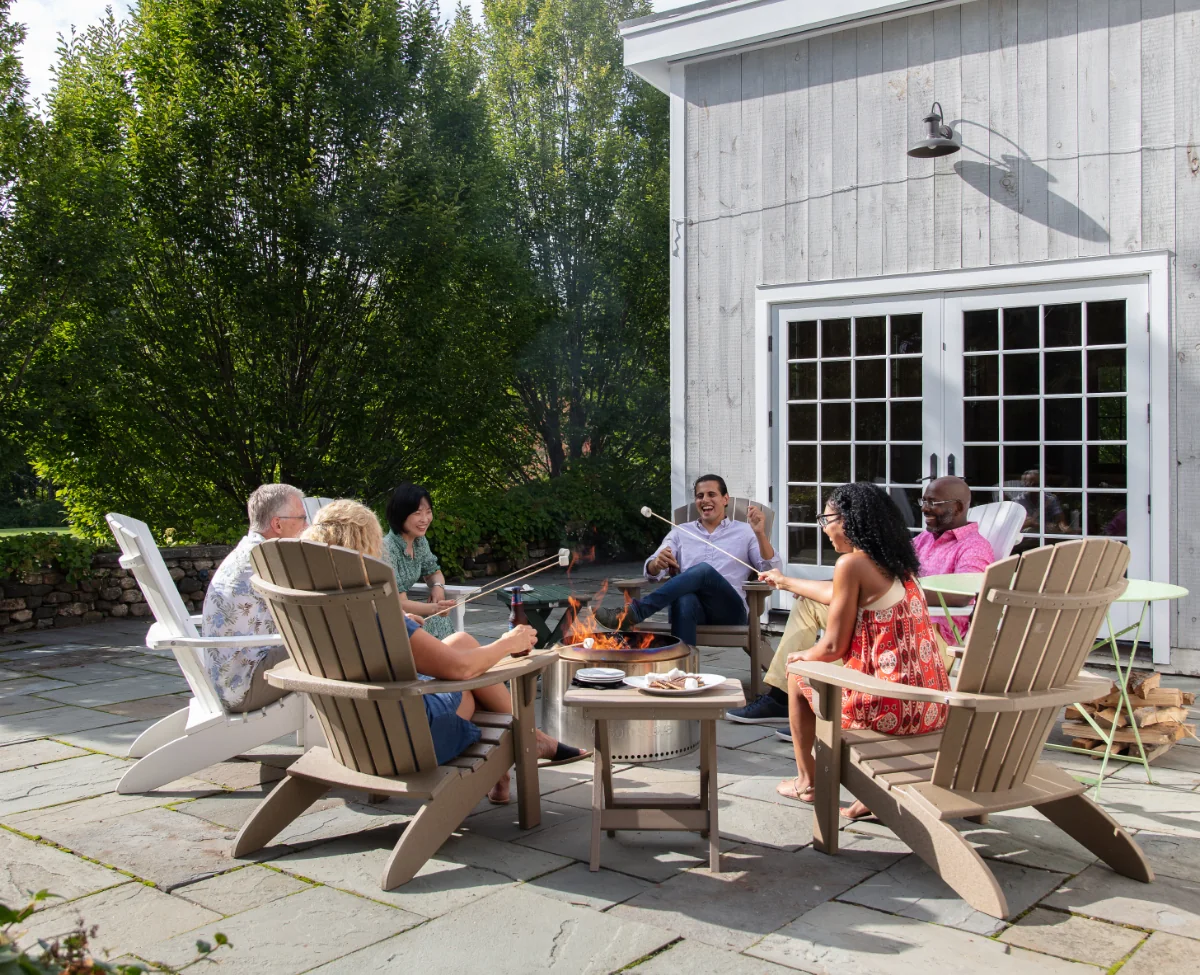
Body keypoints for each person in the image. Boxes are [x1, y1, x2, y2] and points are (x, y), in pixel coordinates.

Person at [302, 500, 588, 803]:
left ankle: (524, 751)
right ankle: (528, 743)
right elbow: (459, 671)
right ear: (366, 546)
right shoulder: (374, 609)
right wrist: (508, 643)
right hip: (410, 740)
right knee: (471, 681)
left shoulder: (315, 604)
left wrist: (403, 624)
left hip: (355, 734)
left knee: (462, 641)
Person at [727, 475, 992, 727]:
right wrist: (791, 583)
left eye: (933, 503)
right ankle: (781, 697)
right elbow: (870, 581)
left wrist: (893, 591)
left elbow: (963, 594)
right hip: (890, 625)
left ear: (958, 507)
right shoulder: (921, 540)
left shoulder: (974, 547)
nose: (925, 508)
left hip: (930, 636)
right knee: (809, 603)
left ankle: (816, 707)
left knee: (814, 656)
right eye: (923, 501)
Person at [768, 482, 951, 817]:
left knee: (797, 677)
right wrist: (786, 581)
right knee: (808, 668)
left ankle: (807, 782)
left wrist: (801, 657)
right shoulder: (898, 565)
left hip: (888, 709)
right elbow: (837, 594)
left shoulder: (850, 565)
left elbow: (833, 647)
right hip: (931, 707)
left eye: (826, 521)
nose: (824, 530)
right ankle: (870, 793)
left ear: (848, 520)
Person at [593, 474, 781, 646]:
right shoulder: (680, 532)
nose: (705, 500)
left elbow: (771, 568)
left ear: (725, 499)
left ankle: (636, 612)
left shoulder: (745, 531)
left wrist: (760, 534)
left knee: (704, 571)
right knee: (684, 598)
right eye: (700, 496)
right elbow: (651, 569)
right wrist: (656, 565)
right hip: (692, 610)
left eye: (711, 494)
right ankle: (683, 672)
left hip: (729, 611)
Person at [201, 483, 309, 712]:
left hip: (228, 679)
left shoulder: (250, 552)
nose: (307, 525)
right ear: (277, 524)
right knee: (335, 644)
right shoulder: (266, 561)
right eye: (301, 518)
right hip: (243, 686)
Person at [381, 483, 458, 639]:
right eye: (417, 513)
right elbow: (397, 602)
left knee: (439, 620)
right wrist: (435, 608)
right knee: (437, 619)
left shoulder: (419, 541)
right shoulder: (387, 549)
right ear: (401, 515)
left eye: (428, 512)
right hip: (390, 618)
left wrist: (437, 587)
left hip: (407, 614)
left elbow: (433, 571)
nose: (425, 519)